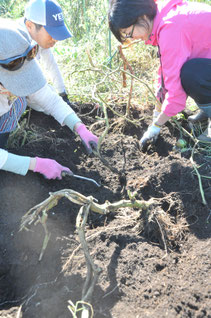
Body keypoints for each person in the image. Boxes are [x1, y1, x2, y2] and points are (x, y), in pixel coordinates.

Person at [0, 18, 98, 180]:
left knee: (19, 101)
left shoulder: (16, 51)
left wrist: (80, 128)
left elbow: (49, 99)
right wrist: (35, 164)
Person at [108, 0, 211, 149]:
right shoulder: (162, 17)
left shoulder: (171, 27)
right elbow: (167, 71)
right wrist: (158, 112)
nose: (132, 38)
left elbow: (176, 93)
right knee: (192, 71)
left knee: (191, 74)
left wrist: (156, 125)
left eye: (128, 33)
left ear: (141, 17)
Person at [22, 0, 72, 105]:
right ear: (30, 25)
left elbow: (51, 65)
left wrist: (62, 94)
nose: (55, 39)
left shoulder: (37, 38)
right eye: (51, 33)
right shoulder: (16, 44)